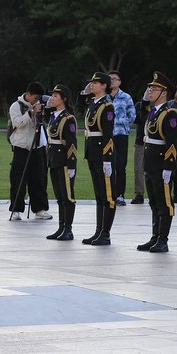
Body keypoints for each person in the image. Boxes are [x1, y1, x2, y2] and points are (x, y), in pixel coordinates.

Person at [138, 72, 177, 253]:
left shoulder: (169, 113)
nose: (150, 91)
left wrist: (168, 167)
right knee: (154, 202)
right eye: (150, 88)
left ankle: (163, 239)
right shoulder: (153, 112)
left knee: (164, 203)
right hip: (151, 164)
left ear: (164, 92)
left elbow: (171, 144)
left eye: (154, 89)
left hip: (161, 165)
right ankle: (155, 237)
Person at [78, 71, 116, 245]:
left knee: (107, 195)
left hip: (102, 154)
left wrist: (107, 159)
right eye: (91, 82)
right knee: (99, 194)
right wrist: (84, 94)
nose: (92, 85)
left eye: (96, 83)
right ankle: (98, 230)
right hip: (92, 152)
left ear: (104, 86)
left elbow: (108, 135)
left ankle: (105, 233)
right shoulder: (93, 103)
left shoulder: (107, 106)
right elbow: (79, 111)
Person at [7, 82, 51, 221]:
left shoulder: (40, 105)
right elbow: (17, 123)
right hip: (22, 148)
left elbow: (46, 121)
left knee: (39, 179)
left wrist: (43, 111)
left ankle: (40, 209)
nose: (36, 100)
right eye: (35, 97)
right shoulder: (16, 106)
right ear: (29, 94)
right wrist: (31, 112)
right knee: (18, 179)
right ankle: (16, 209)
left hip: (38, 147)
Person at [44, 85, 78, 241]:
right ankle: (61, 227)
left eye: (56, 96)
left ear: (63, 99)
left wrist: (71, 165)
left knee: (67, 196)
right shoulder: (53, 115)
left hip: (64, 160)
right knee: (59, 196)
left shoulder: (68, 118)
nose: (52, 98)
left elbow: (71, 144)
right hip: (53, 159)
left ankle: (68, 229)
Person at [108, 71, 135, 206]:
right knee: (107, 166)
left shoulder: (126, 97)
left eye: (114, 79)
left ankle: (120, 195)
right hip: (106, 137)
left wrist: (121, 123)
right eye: (109, 79)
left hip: (121, 135)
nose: (112, 81)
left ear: (119, 81)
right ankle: (109, 194)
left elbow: (132, 115)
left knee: (120, 166)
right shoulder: (104, 97)